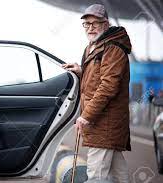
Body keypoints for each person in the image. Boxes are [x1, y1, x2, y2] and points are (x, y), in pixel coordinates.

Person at [62, 4, 132, 183]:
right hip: (101, 122)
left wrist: (86, 115)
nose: (90, 28)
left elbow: (109, 85)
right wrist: (81, 71)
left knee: (96, 176)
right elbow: (98, 77)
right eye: (86, 24)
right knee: (119, 174)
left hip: (105, 122)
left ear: (106, 24)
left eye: (95, 23)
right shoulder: (93, 46)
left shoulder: (113, 48)